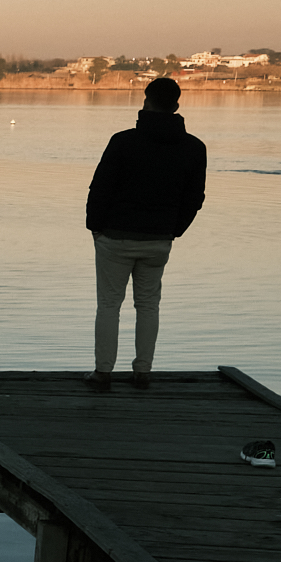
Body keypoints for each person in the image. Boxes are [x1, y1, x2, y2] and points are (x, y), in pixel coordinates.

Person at [84, 77, 205, 390]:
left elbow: (100, 190)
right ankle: (143, 372)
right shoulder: (194, 148)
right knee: (149, 305)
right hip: (158, 239)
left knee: (109, 306)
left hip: (115, 236)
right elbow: (194, 199)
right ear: (176, 106)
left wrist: (95, 228)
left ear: (145, 101)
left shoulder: (123, 142)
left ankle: (102, 373)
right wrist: (173, 230)